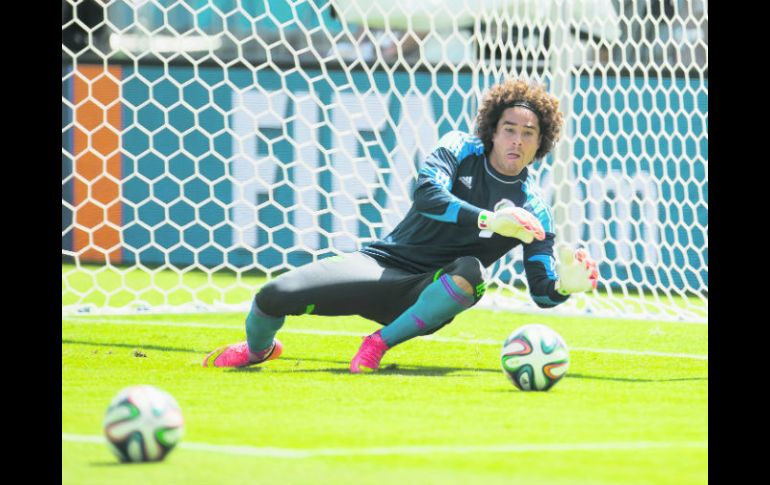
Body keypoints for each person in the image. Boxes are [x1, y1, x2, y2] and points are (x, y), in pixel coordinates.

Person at [203, 77, 599, 373]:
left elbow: (542, 294)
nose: (517, 140)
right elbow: (426, 195)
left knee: (473, 273)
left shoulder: (535, 210)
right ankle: (258, 350)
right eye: (509, 129)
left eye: (528, 134)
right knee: (273, 294)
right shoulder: (459, 148)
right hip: (381, 265)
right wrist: (489, 219)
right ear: (492, 132)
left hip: (429, 294)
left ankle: (377, 343)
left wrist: (566, 286)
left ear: (541, 142)